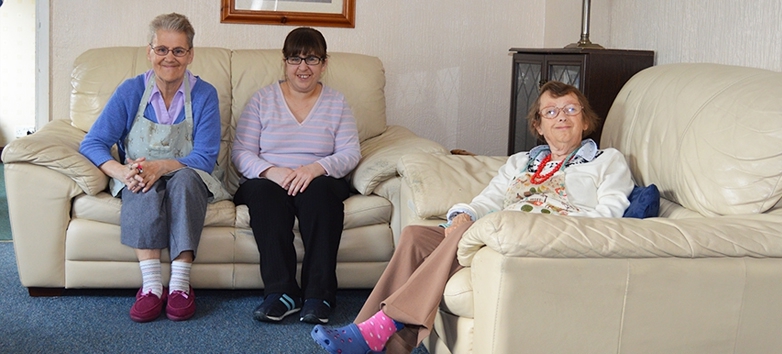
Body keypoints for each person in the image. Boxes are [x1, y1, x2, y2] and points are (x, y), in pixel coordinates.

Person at [311, 81, 635, 353]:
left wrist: (559, 226)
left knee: (461, 235)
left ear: (586, 120)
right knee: (414, 235)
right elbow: (490, 198)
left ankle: (380, 330)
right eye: (551, 111)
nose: (561, 117)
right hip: (497, 230)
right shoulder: (521, 162)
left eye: (570, 109)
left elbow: (608, 214)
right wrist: (464, 215)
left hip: (543, 236)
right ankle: (370, 333)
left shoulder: (607, 161)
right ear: (538, 125)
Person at [80, 13, 227, 323]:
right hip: (140, 173)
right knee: (140, 181)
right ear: (149, 52)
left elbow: (205, 156)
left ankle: (179, 286)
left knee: (184, 181)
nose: (169, 58)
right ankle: (150, 287)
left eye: (178, 50)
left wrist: (162, 166)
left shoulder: (205, 94)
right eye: (161, 49)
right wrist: (120, 171)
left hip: (188, 173)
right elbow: (92, 143)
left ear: (190, 55)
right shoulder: (130, 91)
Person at [232, 27, 361, 325]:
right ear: (284, 62)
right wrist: (271, 171)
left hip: (318, 179)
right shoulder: (262, 100)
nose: (303, 67)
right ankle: (282, 293)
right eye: (295, 58)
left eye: (312, 59)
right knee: (264, 195)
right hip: (269, 180)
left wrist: (314, 169)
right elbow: (241, 153)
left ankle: (319, 294)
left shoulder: (337, 103)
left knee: (321, 194)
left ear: (324, 64)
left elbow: (350, 153)